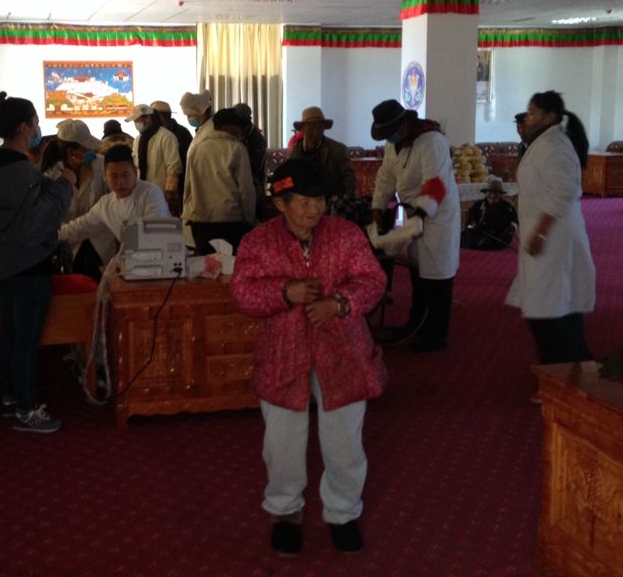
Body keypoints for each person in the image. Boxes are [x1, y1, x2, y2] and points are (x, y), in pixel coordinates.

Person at [230, 159, 388, 557]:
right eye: (302, 201)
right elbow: (243, 293)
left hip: (343, 352)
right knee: (282, 444)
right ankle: (285, 513)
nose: (313, 209)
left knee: (345, 443)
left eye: (319, 200)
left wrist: (340, 303)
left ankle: (343, 512)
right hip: (283, 355)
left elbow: (373, 280)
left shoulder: (346, 234)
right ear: (280, 203)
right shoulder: (258, 242)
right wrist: (285, 293)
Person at [0, 91, 76, 433]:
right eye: (35, 122)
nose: (37, 127)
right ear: (23, 128)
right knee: (27, 338)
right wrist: (64, 186)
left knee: (10, 332)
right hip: (27, 265)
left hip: (0, 262)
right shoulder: (21, 172)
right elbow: (35, 224)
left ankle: (9, 395)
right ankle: (27, 408)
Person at [506, 90, 594, 365]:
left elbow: (562, 191)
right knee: (549, 307)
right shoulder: (543, 143)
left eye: (533, 113)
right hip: (544, 236)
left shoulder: (556, 146)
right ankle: (566, 367)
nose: (527, 118)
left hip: (554, 237)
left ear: (550, 117)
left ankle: (563, 370)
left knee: (552, 310)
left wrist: (541, 231)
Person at [370, 99, 460, 352]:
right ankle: (417, 324)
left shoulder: (432, 142)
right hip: (412, 213)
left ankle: (437, 334)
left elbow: (436, 183)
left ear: (405, 124)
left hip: (437, 213)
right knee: (418, 272)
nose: (391, 139)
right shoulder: (393, 144)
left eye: (392, 133)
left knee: (437, 276)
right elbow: (386, 178)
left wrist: (420, 215)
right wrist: (377, 209)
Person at [58, 144, 170, 269]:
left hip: (164, 259)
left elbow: (155, 227)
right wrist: (49, 235)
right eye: (114, 176)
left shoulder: (151, 192)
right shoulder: (106, 204)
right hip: (134, 265)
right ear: (105, 176)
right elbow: (78, 228)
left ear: (135, 171)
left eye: (125, 175)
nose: (120, 182)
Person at [181, 107, 257, 255]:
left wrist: (187, 212)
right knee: (230, 265)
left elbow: (188, 186)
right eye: (237, 127)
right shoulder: (236, 148)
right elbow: (246, 189)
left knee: (206, 264)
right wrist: (249, 218)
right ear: (227, 127)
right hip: (229, 220)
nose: (240, 132)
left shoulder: (196, 148)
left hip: (200, 220)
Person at [53, 119, 109, 280]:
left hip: (100, 242)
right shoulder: (52, 174)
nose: (92, 151)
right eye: (87, 148)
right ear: (71, 152)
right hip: (67, 247)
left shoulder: (101, 164)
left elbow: (109, 205)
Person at [288, 106, 357, 202]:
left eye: (320, 128)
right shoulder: (295, 151)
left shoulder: (339, 149)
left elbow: (349, 179)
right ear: (303, 129)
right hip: (305, 202)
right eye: (311, 128)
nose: (316, 132)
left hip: (333, 201)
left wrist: (342, 199)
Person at [125, 103, 182, 208]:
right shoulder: (138, 140)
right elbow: (135, 166)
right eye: (135, 122)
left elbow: (173, 168)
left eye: (137, 121)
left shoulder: (166, 137)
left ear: (148, 118)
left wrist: (170, 193)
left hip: (161, 195)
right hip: (141, 195)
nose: (136, 124)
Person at [461, 176, 518, 250]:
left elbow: (514, 221)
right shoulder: (478, 204)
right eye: (490, 192)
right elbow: (471, 220)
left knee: (493, 242)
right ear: (486, 193)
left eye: (496, 193)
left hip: (497, 236)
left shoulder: (508, 208)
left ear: (500, 195)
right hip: (480, 232)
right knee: (465, 237)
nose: (492, 195)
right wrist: (473, 223)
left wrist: (512, 227)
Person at [233, 103, 268, 215]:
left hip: (254, 188)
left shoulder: (257, 139)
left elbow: (254, 166)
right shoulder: (237, 136)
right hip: (237, 190)